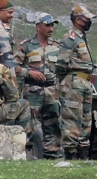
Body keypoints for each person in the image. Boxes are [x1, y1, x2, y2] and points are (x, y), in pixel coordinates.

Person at [13, 12, 62, 159]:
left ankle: (52, 155)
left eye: (52, 25)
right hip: (33, 91)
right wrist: (29, 72)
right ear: (38, 26)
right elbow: (14, 67)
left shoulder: (57, 47)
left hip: (52, 91)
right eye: (47, 25)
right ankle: (27, 154)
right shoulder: (27, 46)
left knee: (53, 124)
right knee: (30, 126)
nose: (51, 28)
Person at [56, 4, 97, 160]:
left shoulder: (81, 38)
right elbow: (61, 63)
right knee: (72, 118)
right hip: (74, 82)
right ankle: (71, 155)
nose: (89, 22)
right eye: (87, 19)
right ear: (79, 20)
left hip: (86, 82)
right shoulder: (70, 38)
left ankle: (83, 154)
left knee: (86, 119)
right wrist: (65, 83)